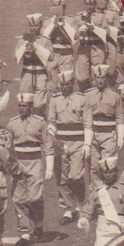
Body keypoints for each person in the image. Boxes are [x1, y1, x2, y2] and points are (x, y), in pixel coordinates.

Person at [5, 93, 54, 245]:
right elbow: (7, 146)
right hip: (18, 162)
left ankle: (38, 225)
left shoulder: (39, 122)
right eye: (19, 106)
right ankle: (24, 232)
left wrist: (49, 167)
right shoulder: (12, 123)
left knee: (34, 198)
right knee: (19, 199)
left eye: (24, 106)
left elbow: (48, 145)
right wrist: (10, 165)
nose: (21, 109)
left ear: (31, 106)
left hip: (34, 162)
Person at [47, 69, 88, 223]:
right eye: (62, 84)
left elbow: (86, 122)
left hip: (77, 141)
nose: (65, 87)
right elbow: (51, 121)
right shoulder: (55, 100)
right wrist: (53, 137)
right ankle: (67, 209)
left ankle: (80, 205)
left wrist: (86, 143)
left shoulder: (81, 99)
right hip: (61, 142)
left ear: (72, 84)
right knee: (62, 178)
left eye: (68, 84)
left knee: (76, 176)